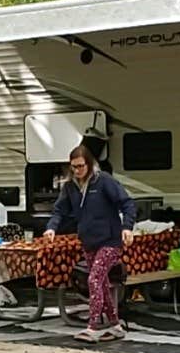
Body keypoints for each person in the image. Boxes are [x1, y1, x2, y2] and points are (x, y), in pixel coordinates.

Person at [44, 144, 137, 342]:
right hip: (89, 241)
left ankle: (93, 326)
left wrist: (127, 227)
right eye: (74, 167)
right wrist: (52, 227)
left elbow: (127, 203)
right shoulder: (70, 187)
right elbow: (59, 210)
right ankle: (115, 325)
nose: (77, 171)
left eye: (81, 166)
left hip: (110, 240)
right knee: (101, 283)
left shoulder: (103, 181)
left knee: (94, 279)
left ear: (89, 164)